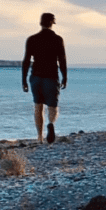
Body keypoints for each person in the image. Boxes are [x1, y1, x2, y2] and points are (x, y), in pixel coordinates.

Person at [21, 13, 67, 144]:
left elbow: (26, 61)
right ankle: (51, 123)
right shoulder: (58, 39)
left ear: (40, 23)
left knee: (38, 107)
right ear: (52, 23)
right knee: (52, 106)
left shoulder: (32, 39)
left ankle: (40, 137)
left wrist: (23, 80)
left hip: (36, 76)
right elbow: (62, 60)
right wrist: (65, 77)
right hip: (51, 76)